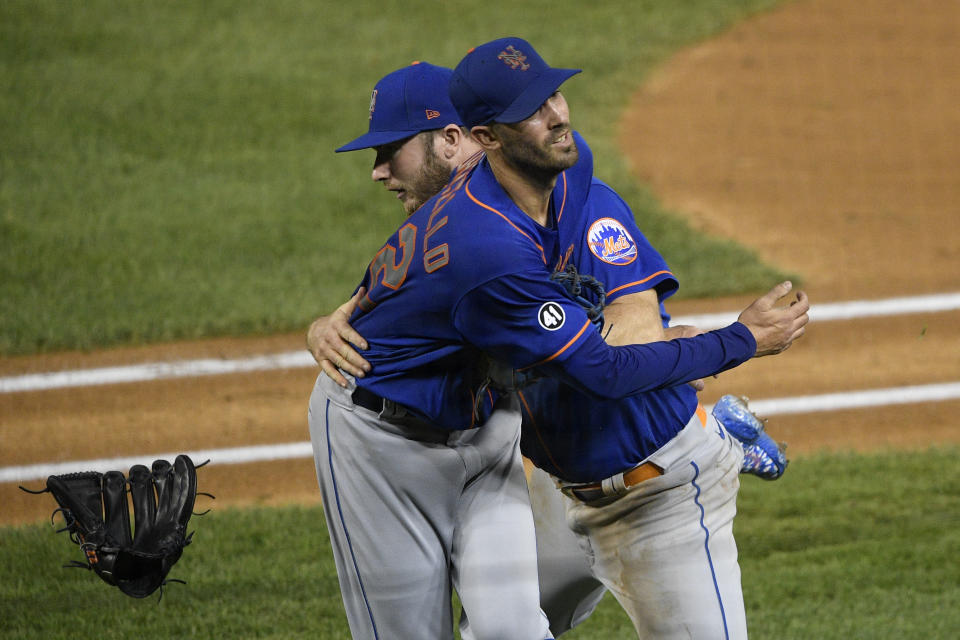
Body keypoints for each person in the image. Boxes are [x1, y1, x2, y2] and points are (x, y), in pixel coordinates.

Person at [309, 48, 807, 640]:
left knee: (512, 630)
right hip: (401, 440)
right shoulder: (479, 242)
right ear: (483, 136)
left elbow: (626, 325)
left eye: (390, 152)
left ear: (459, 139)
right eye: (531, 109)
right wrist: (739, 340)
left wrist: (664, 351)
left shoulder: (566, 175)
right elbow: (594, 365)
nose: (378, 172)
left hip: (539, 448)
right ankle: (711, 429)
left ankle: (708, 434)